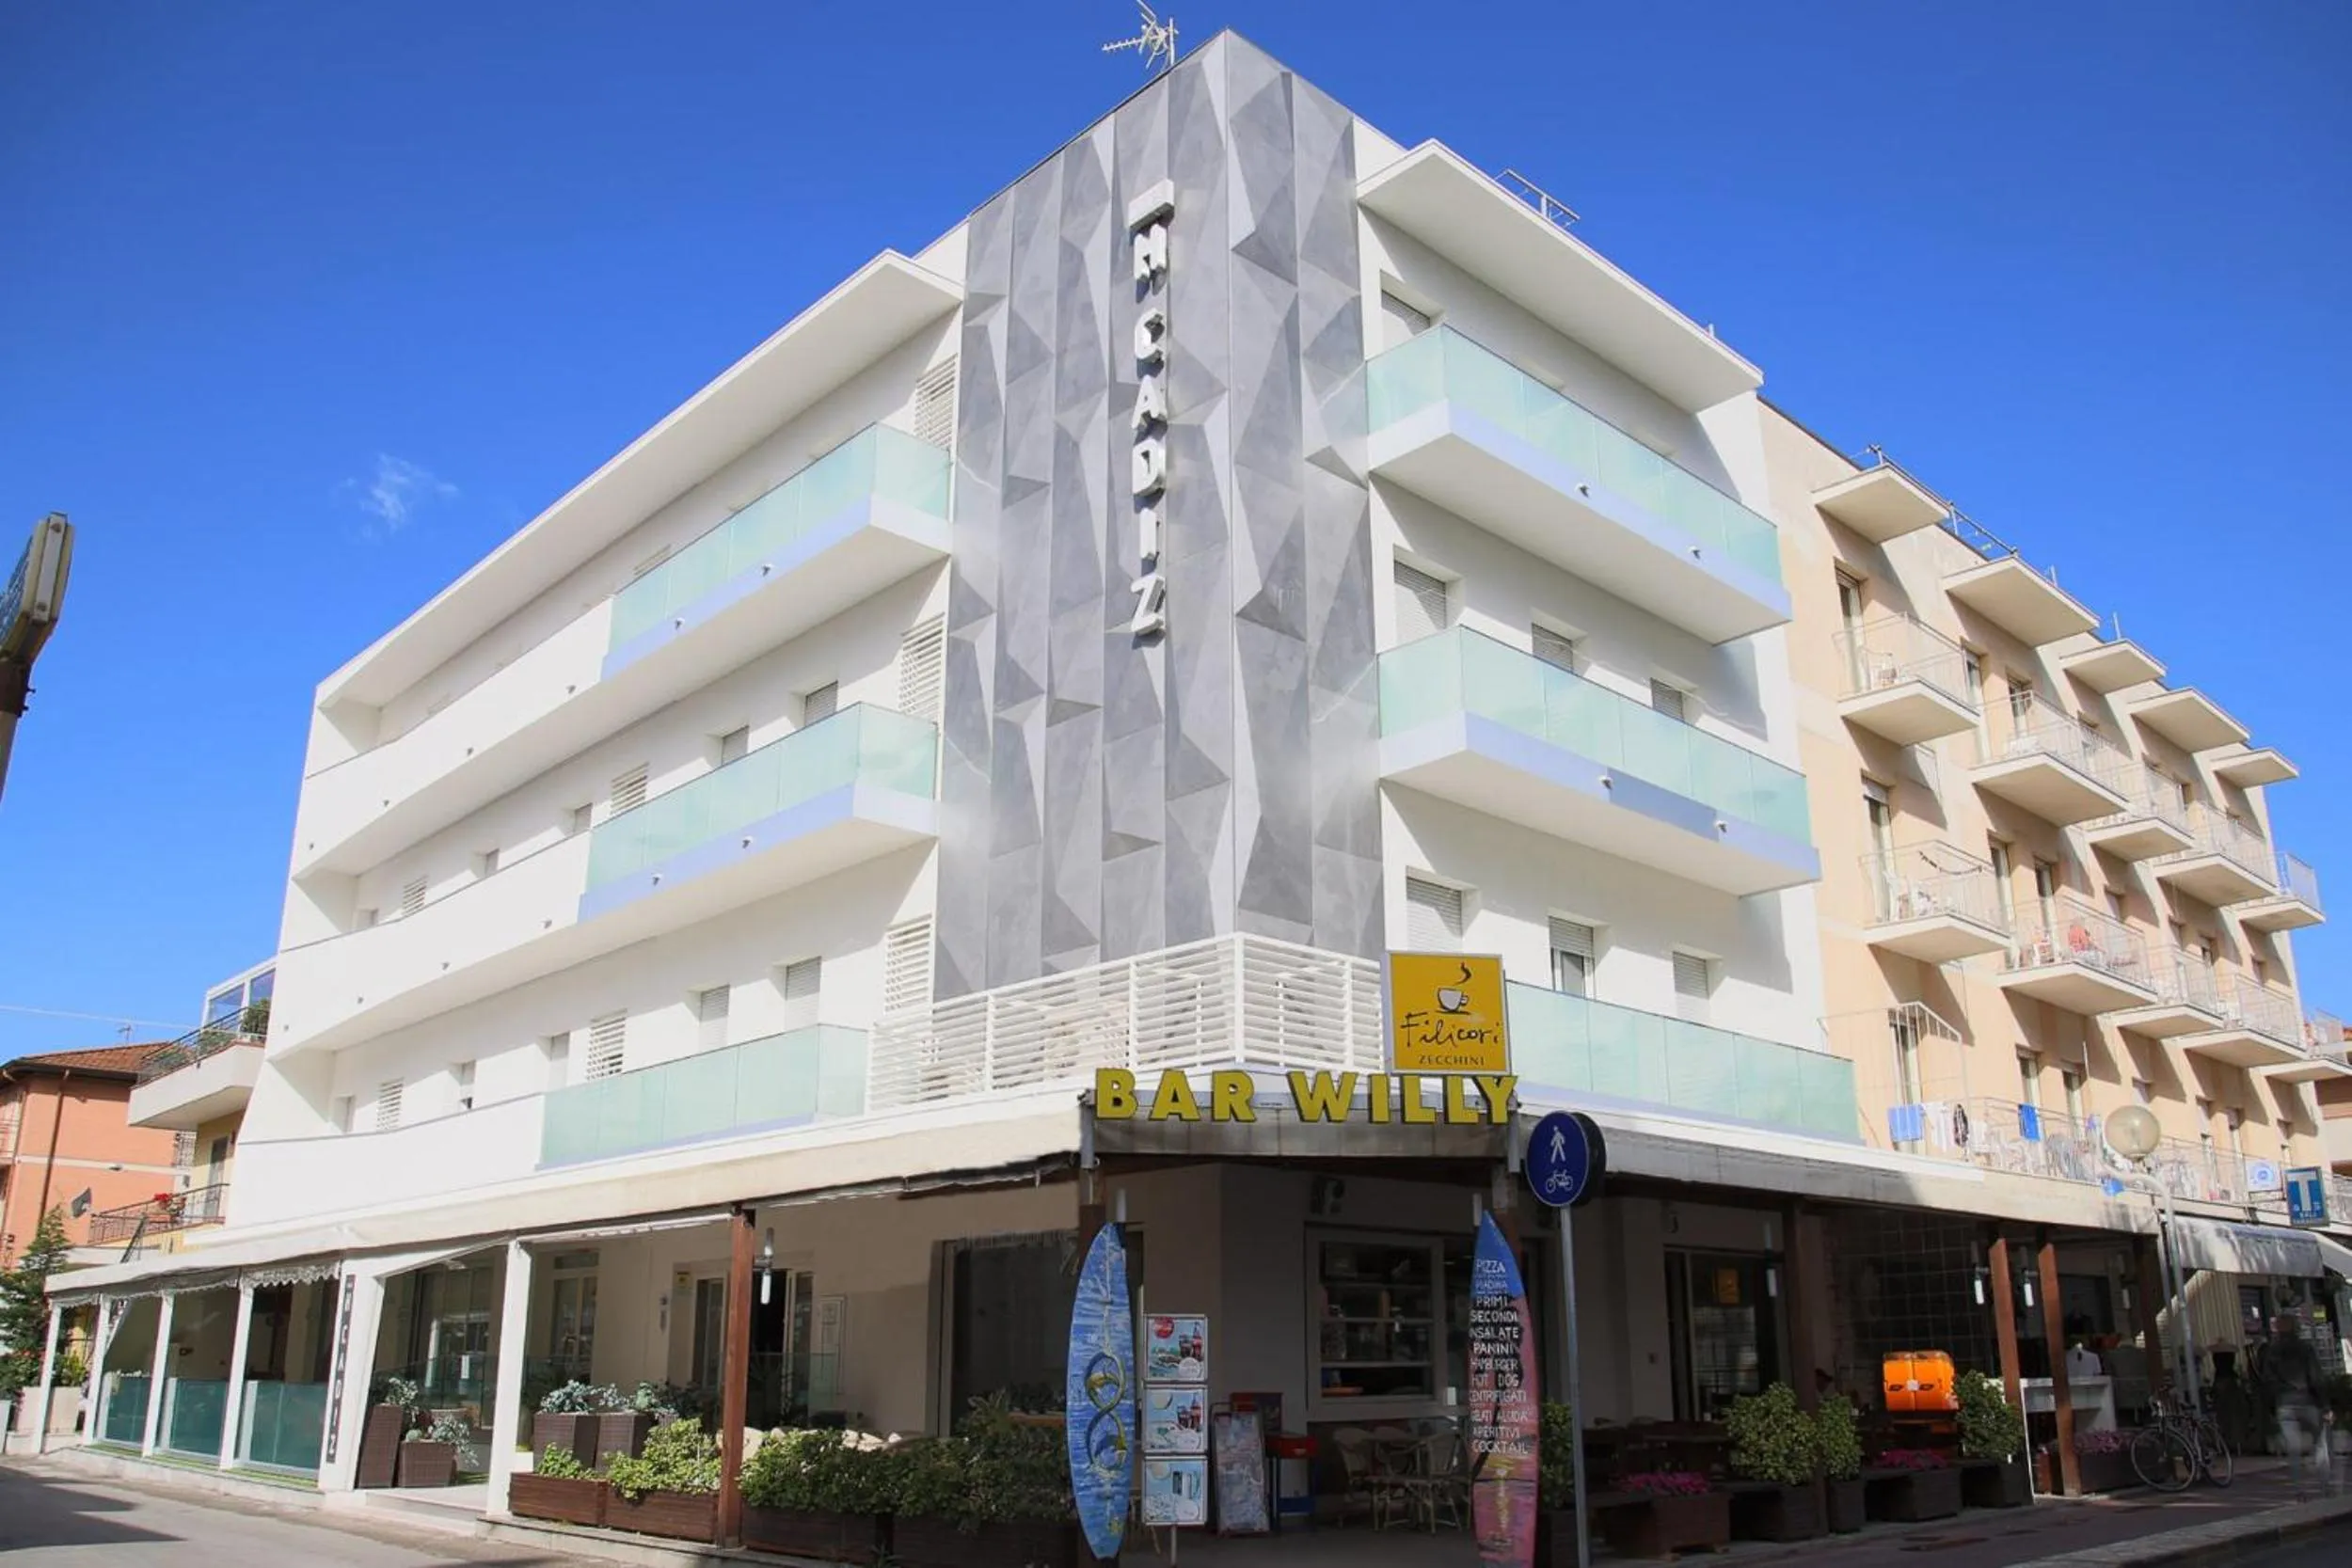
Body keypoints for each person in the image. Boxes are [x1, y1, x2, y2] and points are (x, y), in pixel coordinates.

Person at [2260, 1316, 2326, 1480]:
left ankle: (2299, 1487)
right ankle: (2324, 1480)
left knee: (2293, 1448)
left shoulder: (2271, 1351)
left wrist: (2272, 1405)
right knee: (2320, 1439)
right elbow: (2315, 1377)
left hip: (2284, 1402)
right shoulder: (2305, 1348)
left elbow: (2268, 1380)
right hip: (2307, 1399)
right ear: (2296, 1328)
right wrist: (2324, 1403)